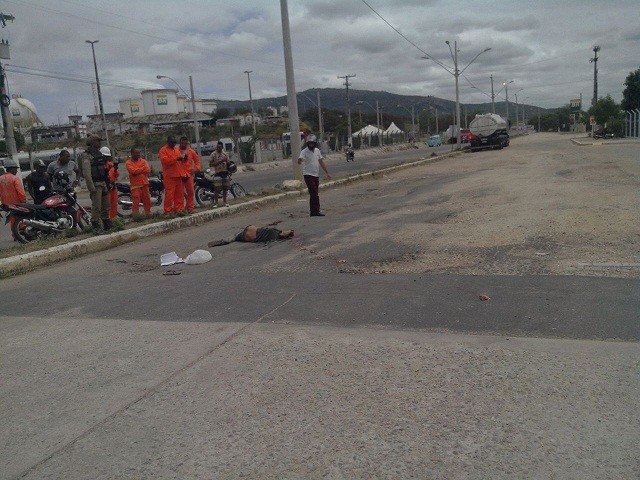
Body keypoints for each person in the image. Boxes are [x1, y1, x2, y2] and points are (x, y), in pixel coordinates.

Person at [81, 135, 112, 231]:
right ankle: (95, 225)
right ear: (93, 142)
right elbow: (87, 173)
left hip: (102, 183)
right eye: (97, 141)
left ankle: (106, 223)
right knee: (97, 206)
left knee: (106, 205)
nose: (99, 143)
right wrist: (91, 187)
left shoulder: (99, 154)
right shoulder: (87, 155)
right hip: (96, 184)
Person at [297, 134, 330, 216]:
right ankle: (315, 211)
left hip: (316, 175)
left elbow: (321, 162)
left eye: (312, 143)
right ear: (307, 143)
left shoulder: (317, 151)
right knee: (314, 192)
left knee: (314, 193)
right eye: (309, 143)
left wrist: (327, 173)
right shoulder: (304, 151)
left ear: (315, 143)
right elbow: (299, 160)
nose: (311, 145)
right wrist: (299, 160)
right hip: (308, 175)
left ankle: (313, 211)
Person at [0, 160, 27, 240]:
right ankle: (22, 232)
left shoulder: (0, 179)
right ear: (11, 169)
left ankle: (15, 235)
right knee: (22, 218)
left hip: (6, 205)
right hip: (17, 203)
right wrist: (24, 201)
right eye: (15, 169)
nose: (16, 170)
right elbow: (20, 192)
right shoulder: (15, 178)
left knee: (12, 219)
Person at [159, 136, 185, 215]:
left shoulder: (176, 150)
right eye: (172, 142)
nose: (173, 144)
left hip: (178, 175)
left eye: (174, 142)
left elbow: (179, 162)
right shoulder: (163, 150)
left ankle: (179, 209)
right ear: (168, 142)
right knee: (169, 195)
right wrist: (176, 159)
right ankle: (168, 211)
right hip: (170, 176)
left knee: (179, 194)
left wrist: (183, 159)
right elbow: (165, 161)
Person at [208, 225, 294, 247]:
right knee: (235, 236)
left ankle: (220, 242)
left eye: (288, 232)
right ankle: (221, 242)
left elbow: (267, 243)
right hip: (250, 232)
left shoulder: (274, 235)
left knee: (234, 237)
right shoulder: (276, 233)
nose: (287, 231)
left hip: (250, 234)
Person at [125, 147, 152, 218]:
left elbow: (148, 170)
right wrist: (142, 169)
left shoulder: (143, 161)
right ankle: (136, 217)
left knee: (147, 201)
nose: (138, 154)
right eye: (136, 153)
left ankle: (148, 214)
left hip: (144, 184)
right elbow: (132, 171)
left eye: (139, 153)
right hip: (135, 185)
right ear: (132, 153)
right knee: (136, 202)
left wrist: (137, 171)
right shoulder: (128, 162)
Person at [177, 136, 201, 213]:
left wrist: (195, 169)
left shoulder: (191, 151)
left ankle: (190, 207)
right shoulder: (176, 151)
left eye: (185, 143)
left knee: (190, 192)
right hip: (179, 175)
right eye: (182, 143)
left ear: (187, 143)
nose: (183, 145)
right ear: (179, 143)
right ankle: (180, 208)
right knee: (180, 193)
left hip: (189, 174)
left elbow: (197, 161)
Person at [100, 146, 119, 221]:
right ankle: (107, 220)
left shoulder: (110, 164)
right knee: (106, 205)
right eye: (105, 156)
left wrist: (115, 169)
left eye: (107, 157)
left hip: (112, 187)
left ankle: (113, 219)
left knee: (114, 204)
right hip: (105, 187)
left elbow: (116, 175)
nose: (106, 158)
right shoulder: (99, 165)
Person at [209, 141, 230, 207]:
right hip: (218, 173)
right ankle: (216, 203)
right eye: (217, 147)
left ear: (222, 147)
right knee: (217, 189)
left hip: (225, 172)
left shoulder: (225, 154)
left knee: (225, 188)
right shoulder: (213, 154)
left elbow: (229, 163)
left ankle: (225, 202)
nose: (218, 148)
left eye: (220, 147)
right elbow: (210, 164)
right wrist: (219, 162)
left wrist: (226, 161)